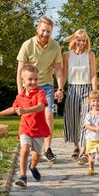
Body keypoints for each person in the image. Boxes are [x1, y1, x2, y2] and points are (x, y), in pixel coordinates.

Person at [0, 65, 49, 187]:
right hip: (25, 128)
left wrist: (26, 110)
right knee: (24, 149)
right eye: (30, 79)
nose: (33, 82)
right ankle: (23, 176)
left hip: (38, 129)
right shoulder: (20, 96)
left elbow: (41, 106)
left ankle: (32, 167)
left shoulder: (40, 92)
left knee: (36, 156)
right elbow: (13, 108)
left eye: (36, 79)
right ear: (23, 80)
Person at [16, 17, 63, 162]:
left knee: (48, 115)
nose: (45, 34)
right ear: (37, 29)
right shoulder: (27, 45)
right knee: (31, 117)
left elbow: (59, 70)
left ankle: (48, 149)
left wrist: (60, 88)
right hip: (29, 87)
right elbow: (19, 71)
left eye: (48, 32)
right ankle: (31, 148)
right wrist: (20, 94)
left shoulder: (55, 46)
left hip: (47, 85)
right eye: (43, 30)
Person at [62, 29, 97, 164]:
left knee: (85, 121)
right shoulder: (67, 55)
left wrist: (95, 92)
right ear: (74, 40)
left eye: (84, 40)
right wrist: (60, 88)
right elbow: (64, 74)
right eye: (79, 40)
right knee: (72, 119)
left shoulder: (90, 55)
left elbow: (93, 74)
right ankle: (76, 146)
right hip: (72, 89)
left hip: (86, 89)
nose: (81, 42)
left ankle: (83, 152)